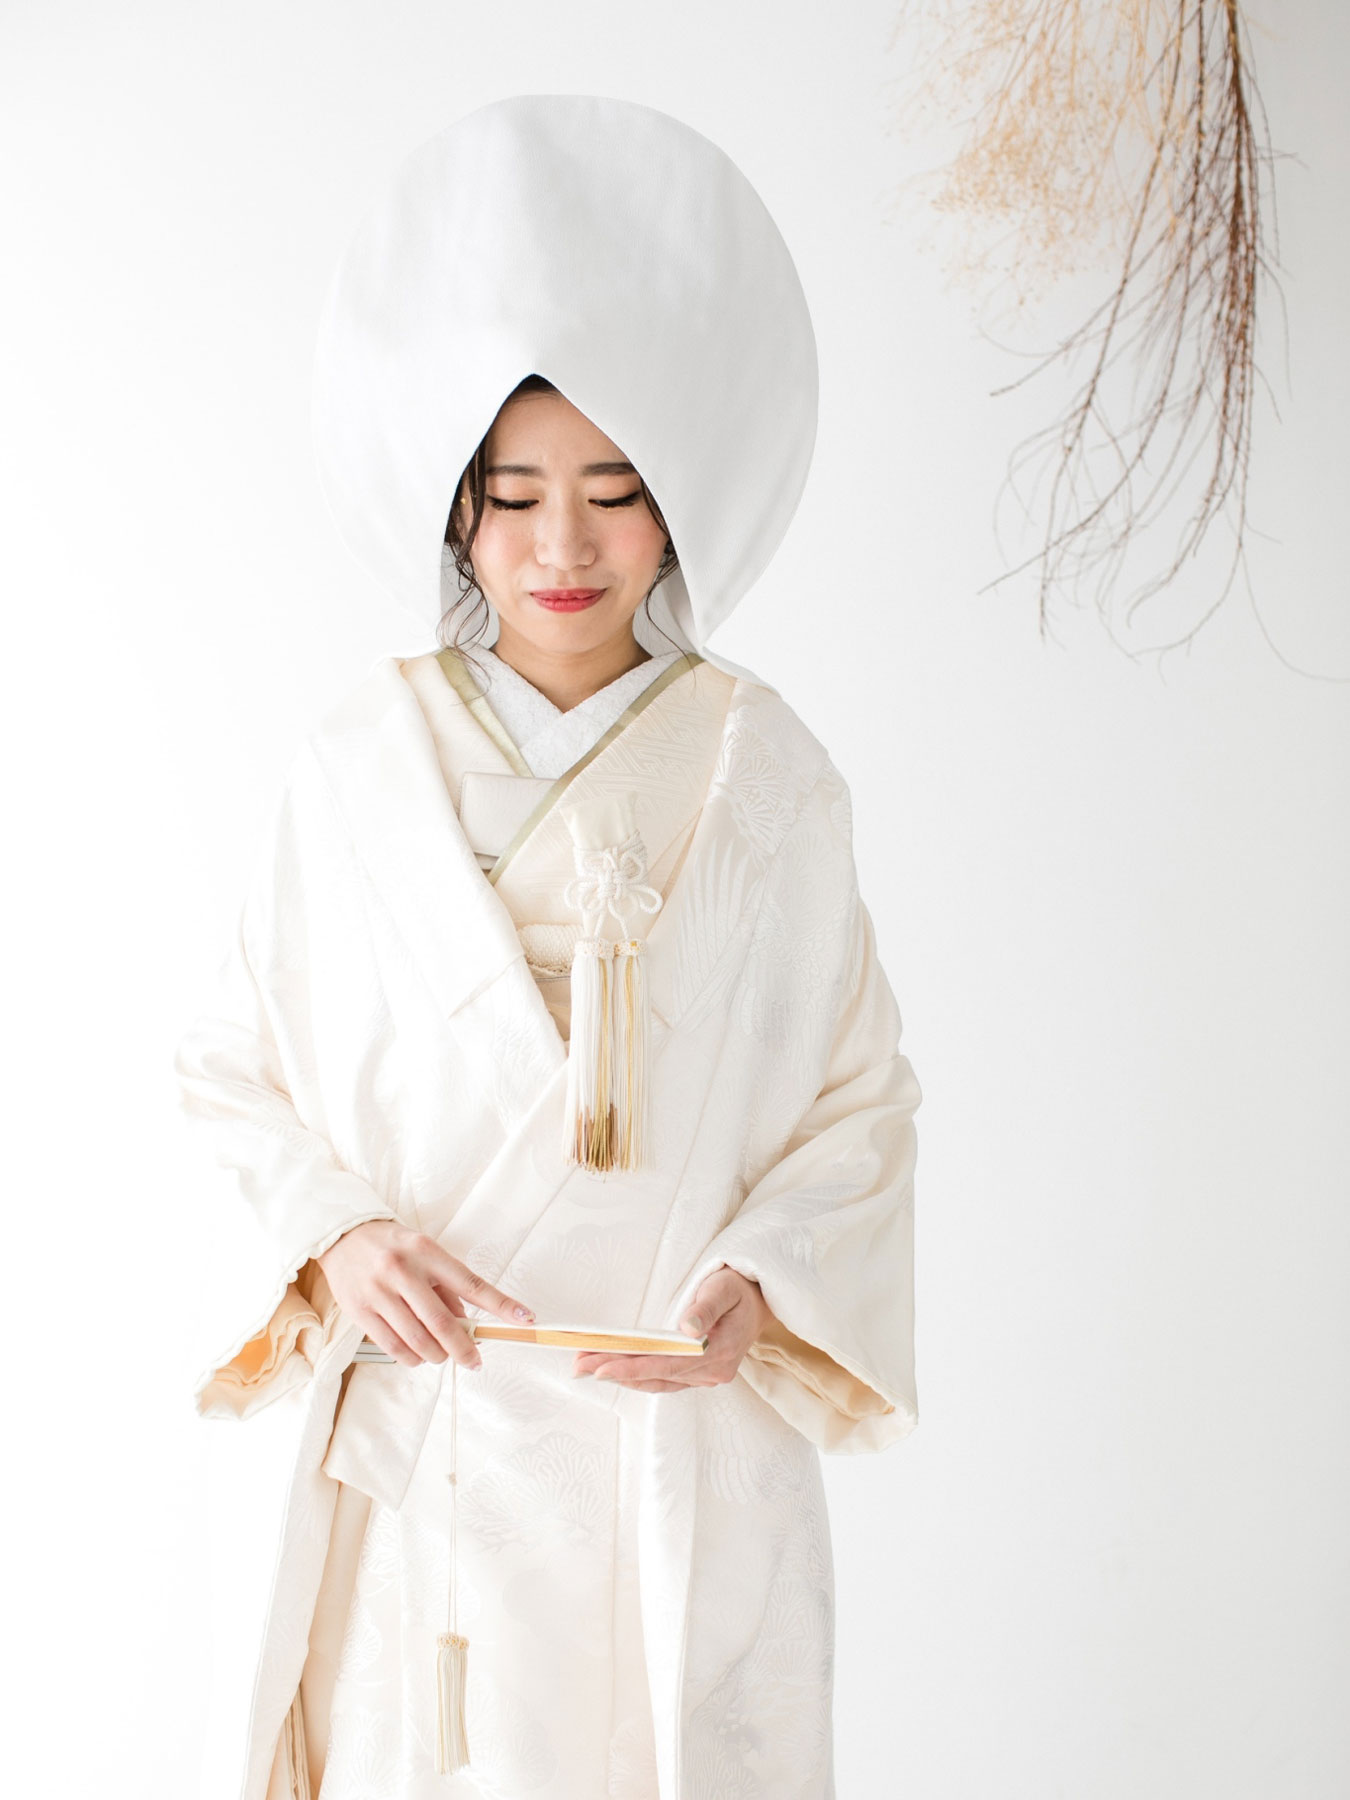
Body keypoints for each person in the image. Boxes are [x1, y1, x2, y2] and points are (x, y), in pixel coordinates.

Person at [174, 95, 921, 1800]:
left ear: (676, 510)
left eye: (612, 493)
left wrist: (765, 1282)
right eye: (512, 497)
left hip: (667, 1439)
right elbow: (230, 1070)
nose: (562, 549)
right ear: (455, 516)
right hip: (422, 1437)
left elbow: (859, 1103)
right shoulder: (354, 768)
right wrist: (336, 1238)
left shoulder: (768, 776)